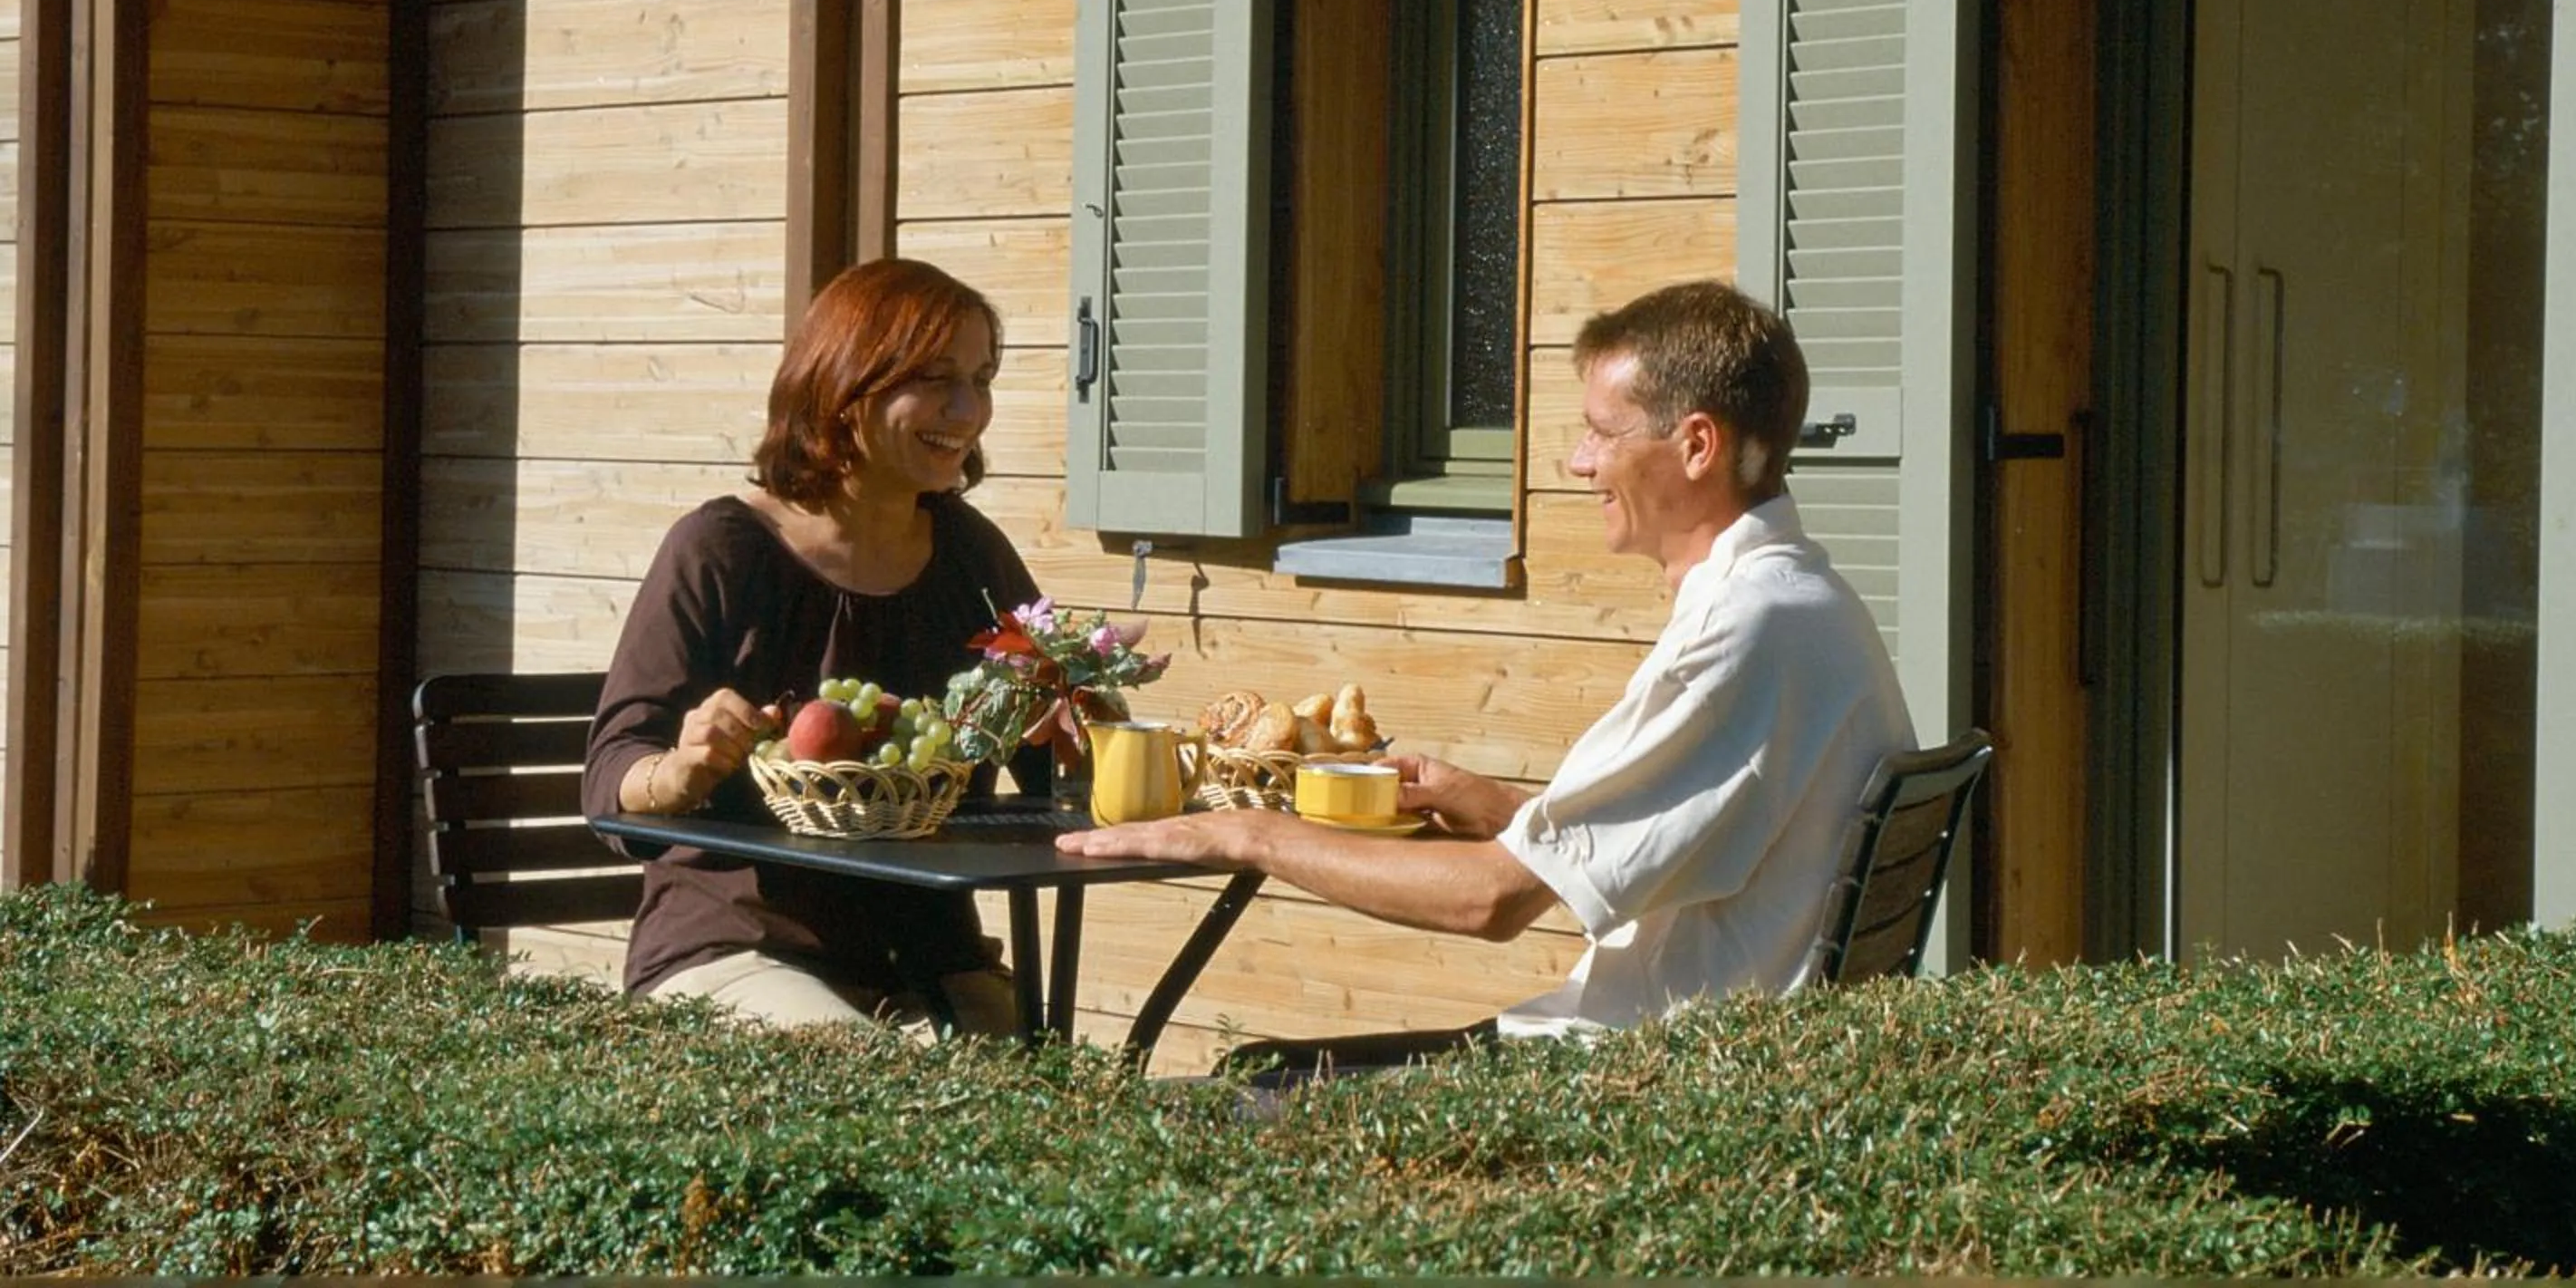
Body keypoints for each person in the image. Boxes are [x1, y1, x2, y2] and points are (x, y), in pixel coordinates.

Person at [1058, 278, 1916, 1051]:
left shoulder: (1743, 628)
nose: (1580, 463)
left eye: (1599, 433)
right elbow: (1698, 830)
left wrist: (1244, 833)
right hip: (1701, 1051)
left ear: (1697, 445)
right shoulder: (1798, 600)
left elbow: (1493, 902)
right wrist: (1506, 808)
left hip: (1644, 1076)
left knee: (1258, 1079)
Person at [583, 257, 1047, 1034]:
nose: (967, 410)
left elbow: (1055, 759)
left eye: (983, 378)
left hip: (931, 961)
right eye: (935, 377)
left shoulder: (973, 556)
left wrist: (1095, 723)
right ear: (844, 384)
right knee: (887, 1087)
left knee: (1053, 1103)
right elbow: (610, 777)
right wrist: (681, 767)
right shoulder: (722, 549)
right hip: (738, 951)